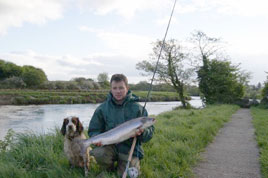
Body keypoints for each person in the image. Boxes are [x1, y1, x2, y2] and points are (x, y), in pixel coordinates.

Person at [88, 74, 154, 176]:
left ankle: (122, 166)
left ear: (127, 88)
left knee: (127, 175)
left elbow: (149, 134)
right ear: (111, 89)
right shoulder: (102, 108)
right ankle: (108, 169)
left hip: (129, 149)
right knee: (99, 153)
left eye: (121, 88)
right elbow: (93, 129)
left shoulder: (138, 109)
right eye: (115, 88)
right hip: (109, 146)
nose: (118, 91)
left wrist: (143, 132)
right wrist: (95, 139)